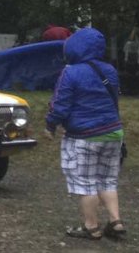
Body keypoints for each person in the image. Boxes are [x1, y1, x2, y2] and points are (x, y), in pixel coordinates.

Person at [45, 27, 126, 241]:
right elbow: (114, 100)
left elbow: (60, 105)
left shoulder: (70, 72)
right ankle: (116, 221)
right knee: (108, 180)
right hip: (113, 132)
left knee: (86, 182)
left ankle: (91, 227)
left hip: (84, 136)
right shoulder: (109, 70)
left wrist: (50, 125)